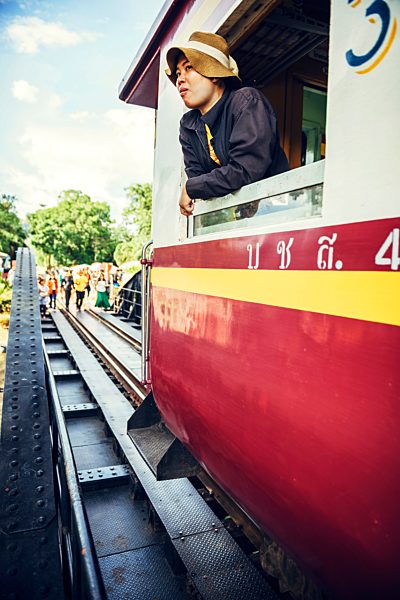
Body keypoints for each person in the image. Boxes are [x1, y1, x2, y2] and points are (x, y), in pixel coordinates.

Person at [165, 31, 289, 216]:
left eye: (189, 67)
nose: (180, 79)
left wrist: (191, 188)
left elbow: (245, 170)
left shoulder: (247, 102)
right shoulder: (188, 124)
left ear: (214, 74)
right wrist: (196, 186)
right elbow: (197, 177)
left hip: (277, 213)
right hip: (241, 220)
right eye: (177, 73)